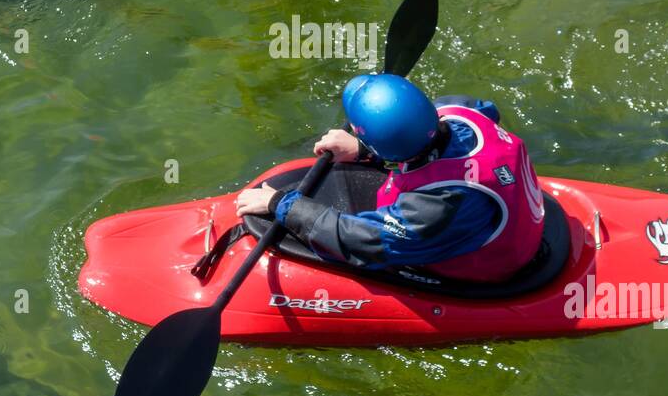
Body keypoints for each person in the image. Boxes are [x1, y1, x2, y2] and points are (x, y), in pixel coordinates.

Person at [234, 74, 548, 282]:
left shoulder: (435, 208)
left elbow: (364, 242)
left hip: (492, 266)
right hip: (501, 212)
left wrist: (282, 205)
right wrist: (363, 150)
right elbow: (430, 140)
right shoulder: (462, 109)